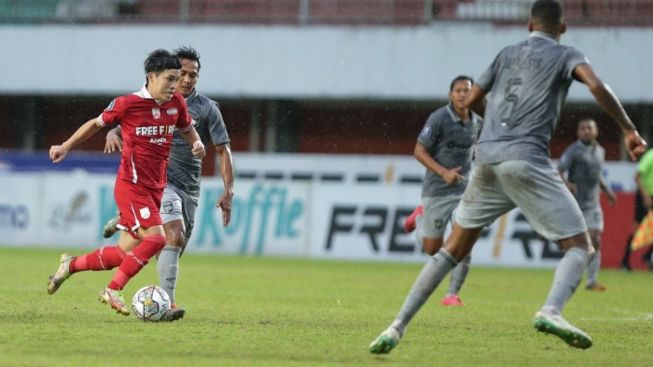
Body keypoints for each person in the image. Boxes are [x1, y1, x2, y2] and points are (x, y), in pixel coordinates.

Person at [369, 0, 646, 353]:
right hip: (527, 158)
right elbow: (596, 85)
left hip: (486, 160)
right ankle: (551, 310)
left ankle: (396, 327)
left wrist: (498, 123)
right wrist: (628, 129)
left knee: (450, 251)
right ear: (562, 29)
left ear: (530, 25)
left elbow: (470, 99)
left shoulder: (506, 53)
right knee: (580, 247)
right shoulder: (567, 55)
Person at [47, 49, 206, 316]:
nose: (174, 85)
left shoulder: (176, 102)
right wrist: (66, 145)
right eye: (169, 79)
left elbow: (187, 127)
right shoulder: (127, 104)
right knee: (157, 240)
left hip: (156, 188)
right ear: (151, 77)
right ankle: (112, 289)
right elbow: (96, 124)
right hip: (132, 187)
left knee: (122, 254)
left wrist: (197, 142)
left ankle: (70, 264)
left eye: (176, 78)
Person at [102, 46, 234, 320]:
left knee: (172, 245)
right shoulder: (150, 100)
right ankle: (166, 305)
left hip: (188, 189)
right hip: (160, 184)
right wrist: (113, 133)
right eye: (182, 74)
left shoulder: (207, 109)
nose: (186, 80)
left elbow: (223, 151)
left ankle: (127, 222)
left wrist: (228, 190)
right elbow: (123, 119)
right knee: (172, 234)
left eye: (193, 75)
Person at [402, 75, 482, 307]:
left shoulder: (477, 122)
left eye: (466, 90)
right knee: (432, 249)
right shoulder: (438, 118)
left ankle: (452, 294)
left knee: (464, 240)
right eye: (458, 90)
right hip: (437, 190)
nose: (462, 94)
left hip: (464, 192)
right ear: (450, 95)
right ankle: (419, 218)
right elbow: (419, 151)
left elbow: (478, 152)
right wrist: (443, 172)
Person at [558, 118, 616, 290]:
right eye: (582, 128)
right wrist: (567, 183)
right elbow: (560, 170)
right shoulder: (573, 150)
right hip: (575, 204)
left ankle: (591, 280)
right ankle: (569, 275)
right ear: (578, 132)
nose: (586, 131)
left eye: (589, 128)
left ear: (596, 131)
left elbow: (597, 174)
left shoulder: (601, 151)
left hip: (593, 203)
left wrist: (607, 190)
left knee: (595, 238)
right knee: (576, 244)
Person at [622, 149, 653, 270]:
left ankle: (647, 256)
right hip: (644, 195)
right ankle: (625, 261)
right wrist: (645, 196)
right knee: (637, 229)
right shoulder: (651, 155)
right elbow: (637, 176)